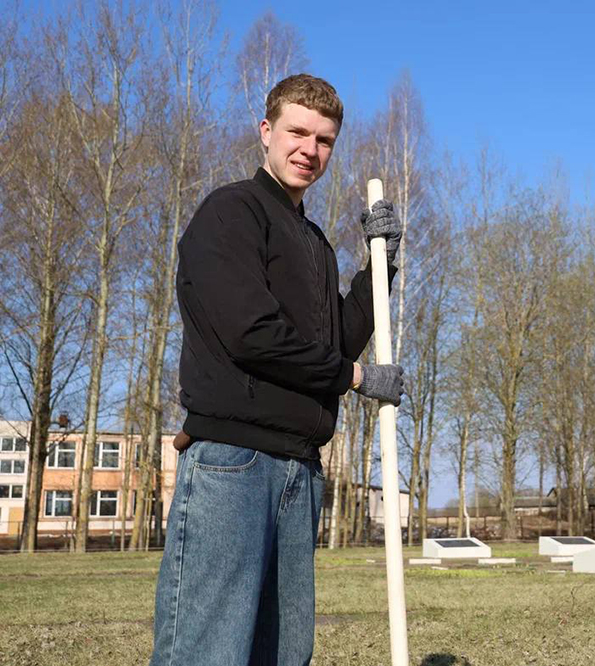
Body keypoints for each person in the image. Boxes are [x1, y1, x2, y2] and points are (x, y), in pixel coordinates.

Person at [150, 73, 405, 666]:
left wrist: (381, 266)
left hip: (300, 469)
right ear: (266, 131)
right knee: (209, 650)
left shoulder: (313, 242)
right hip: (234, 464)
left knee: (285, 652)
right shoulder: (231, 212)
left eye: (324, 140)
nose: (309, 150)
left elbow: (336, 340)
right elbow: (253, 334)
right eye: (297, 132)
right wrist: (356, 379)